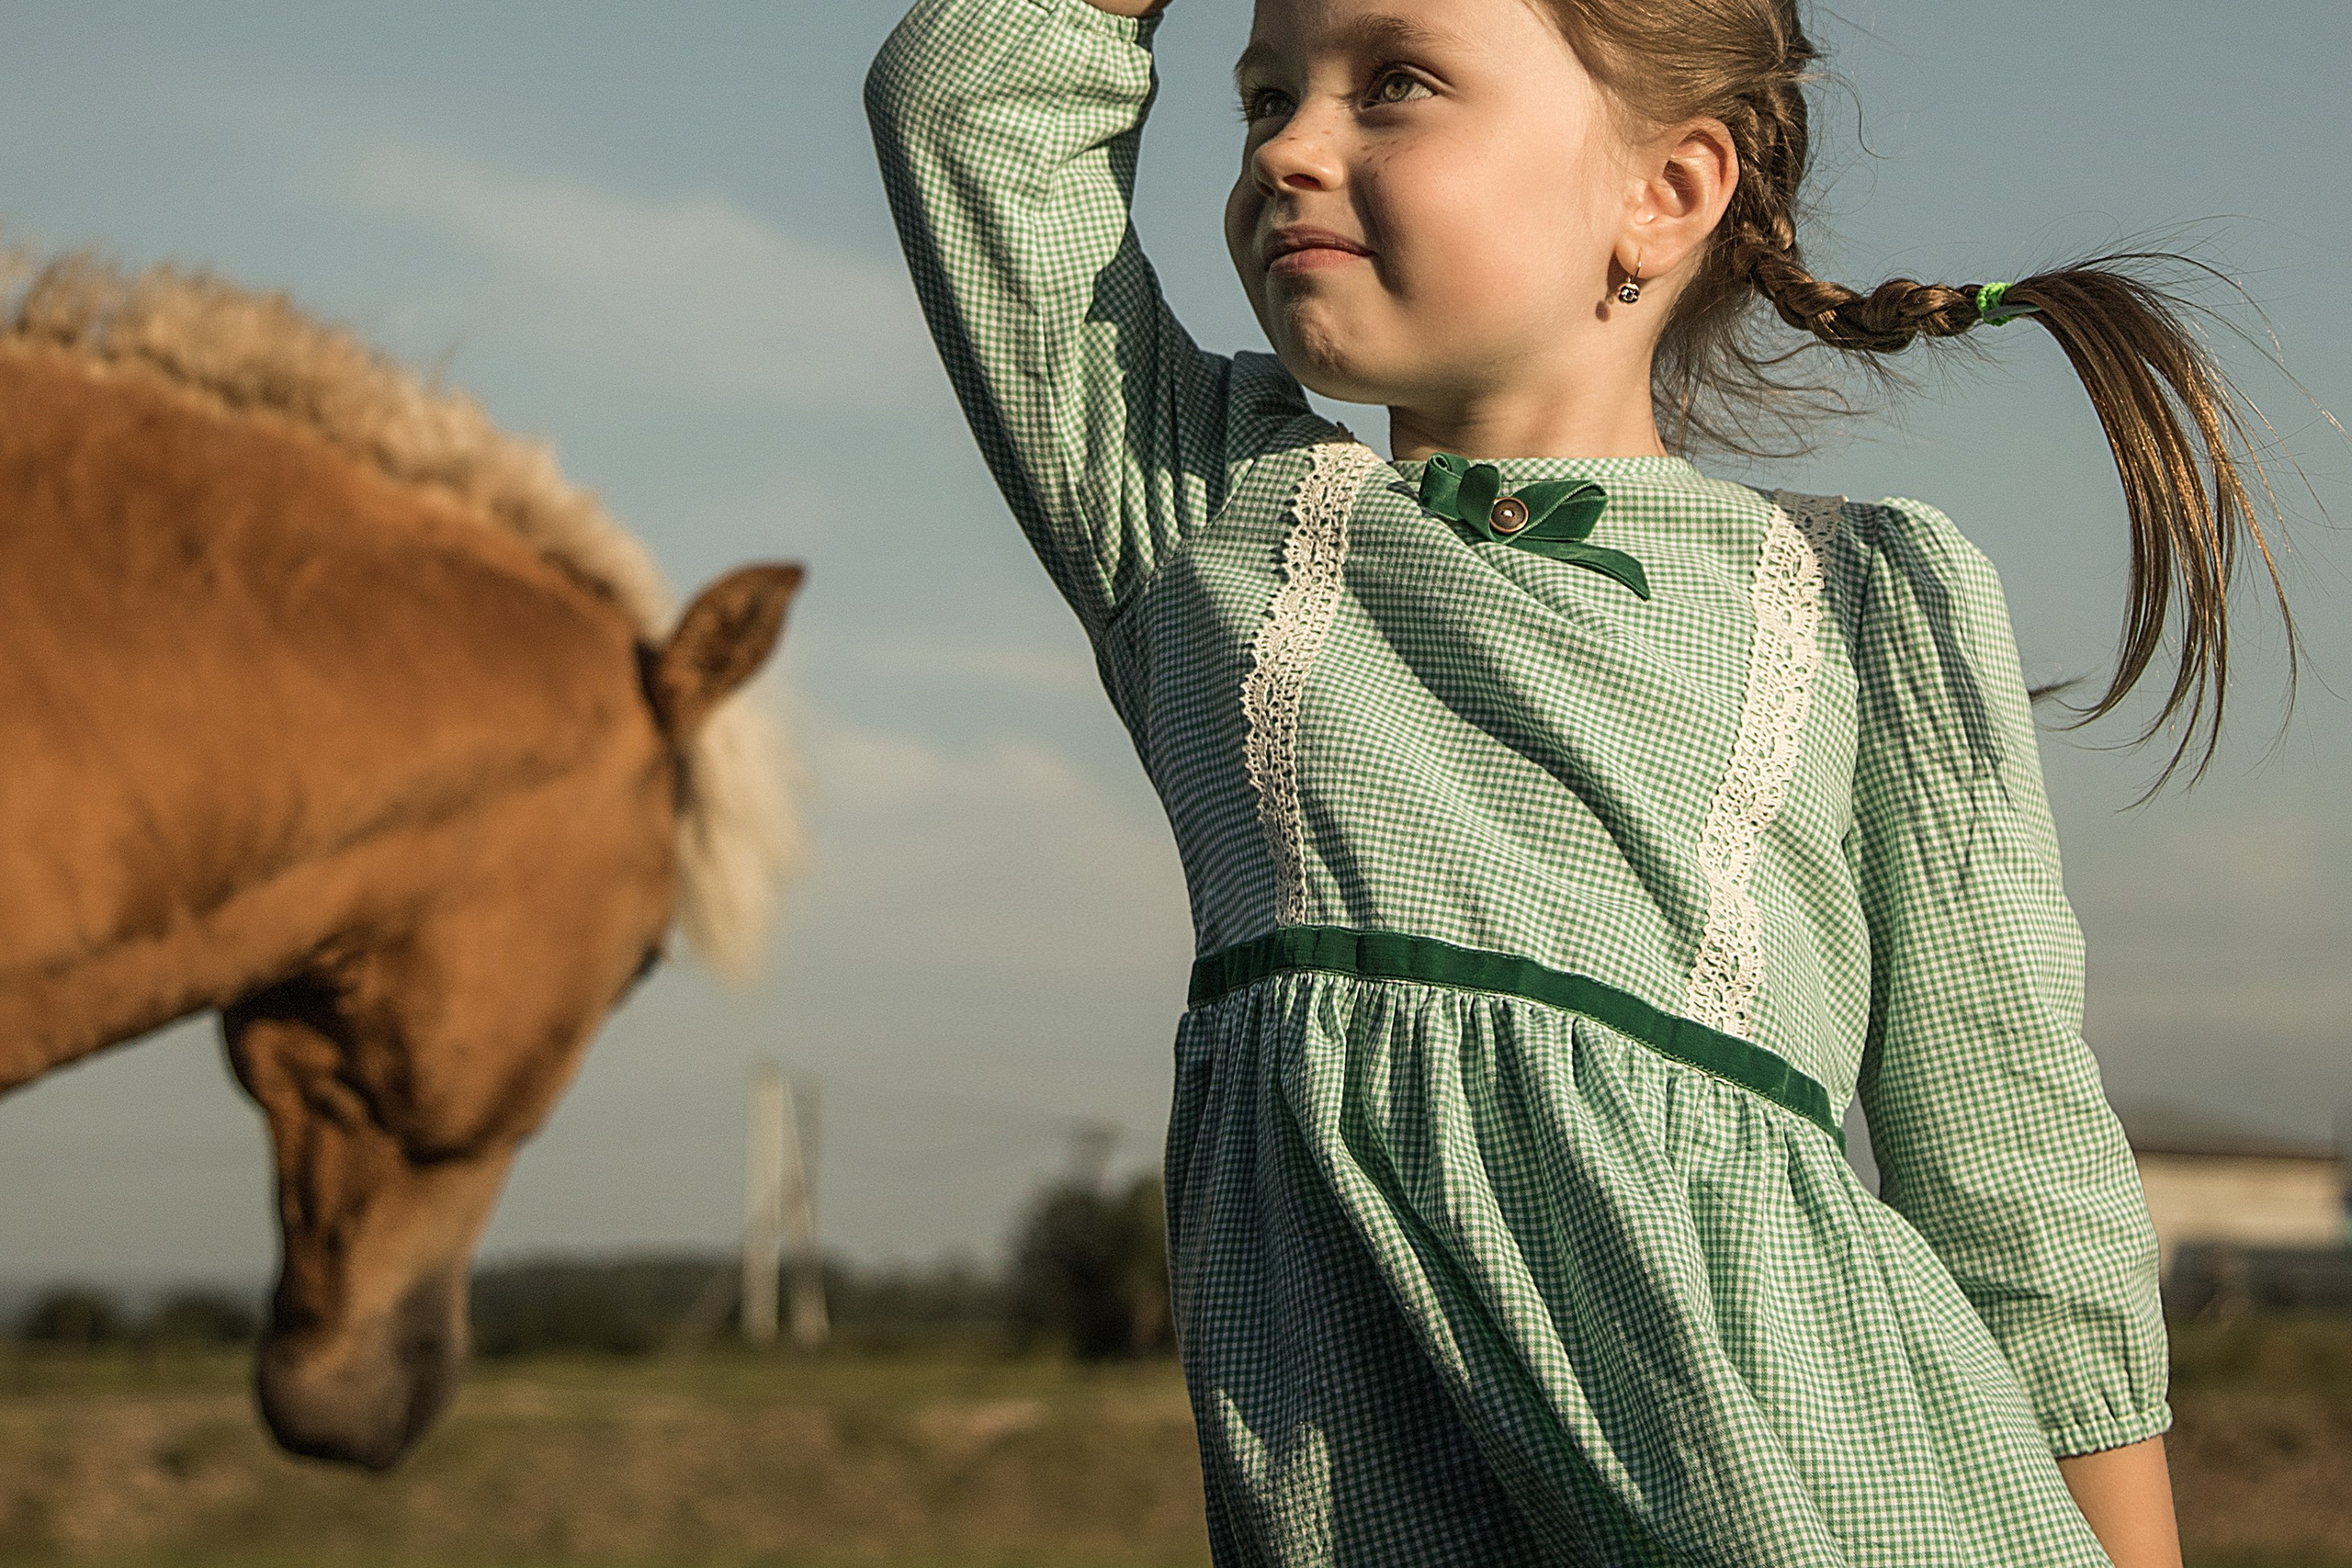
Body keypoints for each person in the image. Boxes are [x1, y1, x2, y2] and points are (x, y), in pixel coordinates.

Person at [867, 0, 2286, 1561]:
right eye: (1264, 94)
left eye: (1393, 84)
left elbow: (2016, 1167)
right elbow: (969, 106)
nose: (1287, 148)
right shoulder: (1204, 517)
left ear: (1666, 193)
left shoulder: (1866, 601)